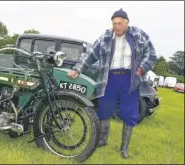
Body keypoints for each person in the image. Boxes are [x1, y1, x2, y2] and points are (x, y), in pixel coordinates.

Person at [67, 8, 157, 159]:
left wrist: (141, 70)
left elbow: (152, 55)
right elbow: (90, 54)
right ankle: (102, 140)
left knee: (129, 113)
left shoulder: (139, 35)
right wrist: (77, 69)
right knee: (104, 109)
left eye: (120, 23)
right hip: (109, 79)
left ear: (127, 23)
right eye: (114, 23)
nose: (117, 27)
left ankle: (124, 148)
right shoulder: (106, 37)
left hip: (130, 79)